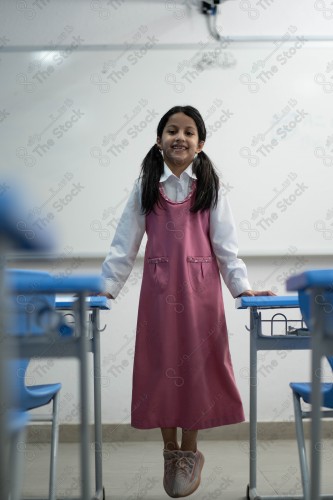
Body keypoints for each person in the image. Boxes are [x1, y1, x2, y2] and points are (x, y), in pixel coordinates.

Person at [100, 105, 274, 498]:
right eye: (172, 130)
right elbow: (124, 243)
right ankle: (169, 451)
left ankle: (190, 451)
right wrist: (106, 288)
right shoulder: (146, 187)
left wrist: (242, 287)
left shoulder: (209, 188)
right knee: (159, 364)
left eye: (189, 132)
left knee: (198, 365)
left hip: (201, 294)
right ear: (159, 140)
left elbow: (226, 248)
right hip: (159, 294)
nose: (180, 136)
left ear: (200, 144)